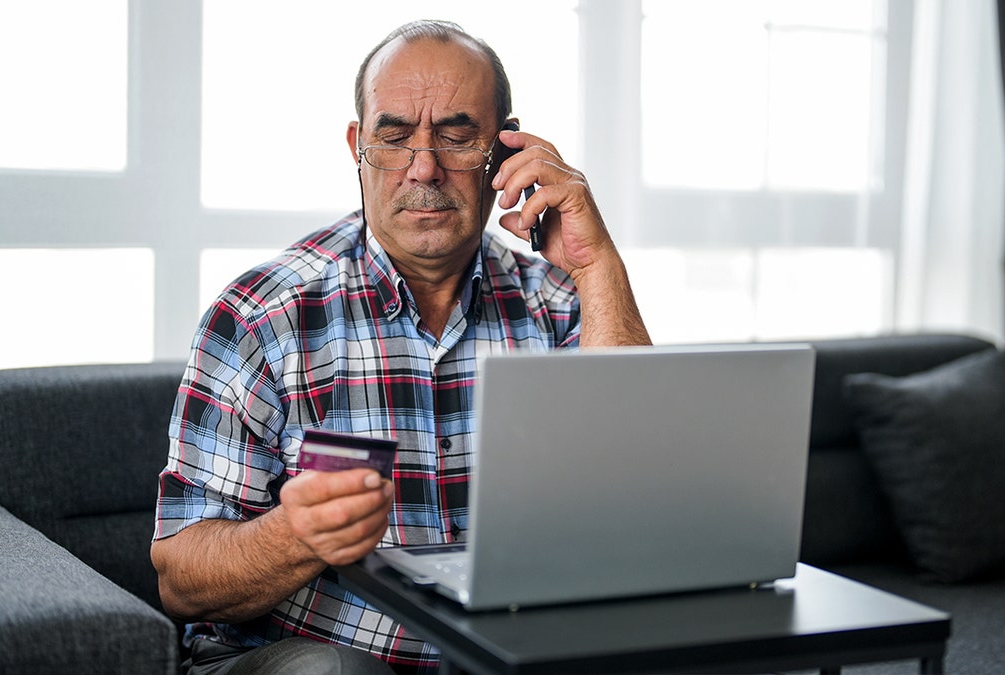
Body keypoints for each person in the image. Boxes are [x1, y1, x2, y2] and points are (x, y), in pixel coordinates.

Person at [150, 18, 652, 675]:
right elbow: (180, 579)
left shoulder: (560, 304)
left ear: (500, 152)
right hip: (299, 655)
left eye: (456, 134)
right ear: (359, 147)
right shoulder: (259, 317)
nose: (424, 167)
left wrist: (597, 267)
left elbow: (644, 502)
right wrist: (297, 534)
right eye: (394, 136)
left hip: (508, 656)